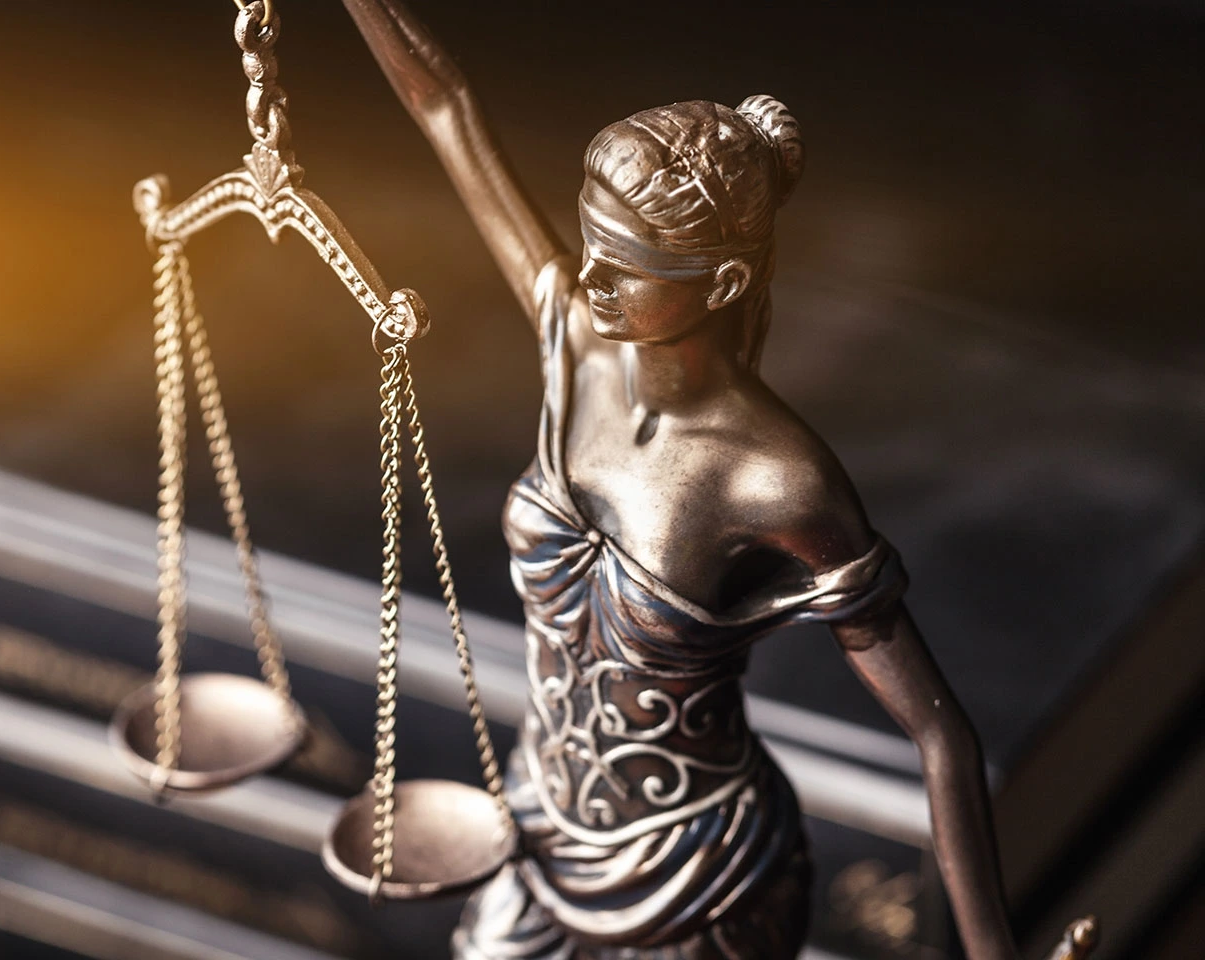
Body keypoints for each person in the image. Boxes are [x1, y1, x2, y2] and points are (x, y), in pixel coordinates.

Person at [337, 2, 1026, 958]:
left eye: (626, 268)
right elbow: (447, 105)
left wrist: (995, 949)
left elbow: (941, 733)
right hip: (544, 822)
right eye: (588, 248)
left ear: (725, 284)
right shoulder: (571, 344)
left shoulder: (777, 477)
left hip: (706, 870)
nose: (591, 280)